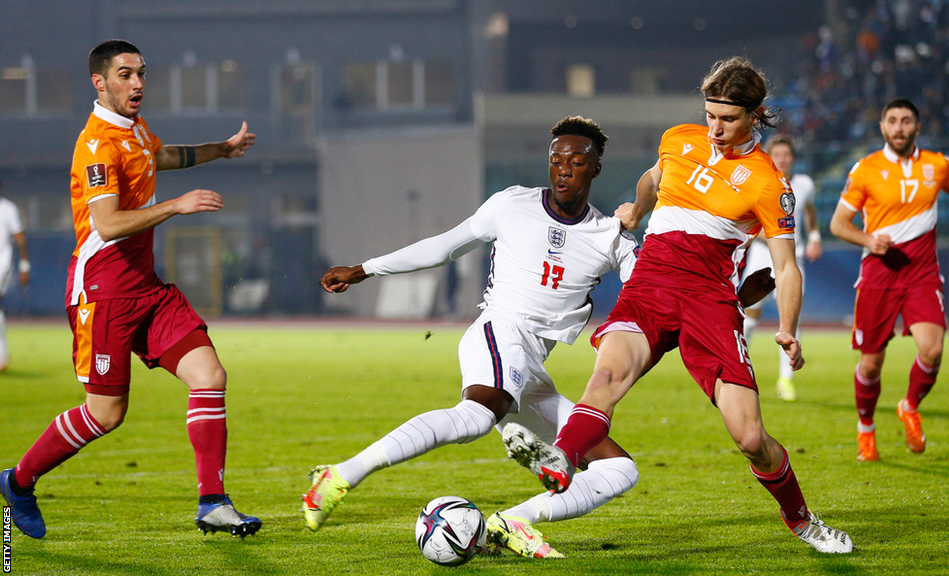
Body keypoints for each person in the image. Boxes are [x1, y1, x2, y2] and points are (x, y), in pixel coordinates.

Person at [502, 57, 854, 554]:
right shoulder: (679, 139)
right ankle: (561, 458)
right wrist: (638, 208)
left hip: (710, 300)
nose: (714, 127)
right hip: (651, 282)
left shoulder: (770, 185)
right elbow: (653, 176)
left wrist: (789, 328)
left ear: (755, 115)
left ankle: (801, 519)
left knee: (750, 437)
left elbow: (787, 267)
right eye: (710, 114)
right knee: (606, 378)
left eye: (727, 118)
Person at [302, 116, 641, 558]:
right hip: (498, 332)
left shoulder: (610, 237)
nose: (562, 169)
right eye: (555, 159)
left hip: (530, 368)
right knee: (477, 417)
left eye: (576, 161)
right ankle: (341, 473)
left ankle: (515, 521)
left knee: (619, 468)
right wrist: (366, 268)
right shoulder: (511, 204)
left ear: (595, 169)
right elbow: (445, 245)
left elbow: (655, 288)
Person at [0, 40, 261, 539]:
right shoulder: (96, 145)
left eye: (141, 73)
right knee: (106, 413)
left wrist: (221, 150)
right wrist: (175, 206)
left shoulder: (135, 128)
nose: (137, 83)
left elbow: (162, 155)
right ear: (100, 82)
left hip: (146, 288)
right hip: (103, 295)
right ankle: (18, 481)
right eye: (125, 75)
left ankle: (213, 502)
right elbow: (109, 222)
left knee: (209, 374)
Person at [829, 98, 949, 462]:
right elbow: (838, 224)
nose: (899, 127)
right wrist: (869, 239)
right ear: (882, 127)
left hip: (922, 275)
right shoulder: (866, 169)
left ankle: (909, 405)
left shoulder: (938, 165)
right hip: (877, 277)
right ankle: (866, 430)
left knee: (932, 349)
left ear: (917, 127)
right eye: (892, 121)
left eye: (906, 121)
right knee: (871, 364)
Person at [740, 135, 823, 401]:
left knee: (790, 321)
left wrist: (814, 237)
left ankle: (785, 381)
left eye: (787, 155)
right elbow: (749, 222)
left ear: (793, 158)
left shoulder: (803, 184)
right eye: (778, 155)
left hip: (794, 260)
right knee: (748, 316)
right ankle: (737, 371)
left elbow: (809, 210)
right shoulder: (759, 183)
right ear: (769, 157)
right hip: (763, 258)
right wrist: (773, 237)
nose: (783, 159)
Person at [0, 178, 31, 371]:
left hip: (2, 266)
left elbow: (20, 238)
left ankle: (2, 355)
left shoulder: (7, 208)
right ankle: (2, 356)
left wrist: (24, 266)